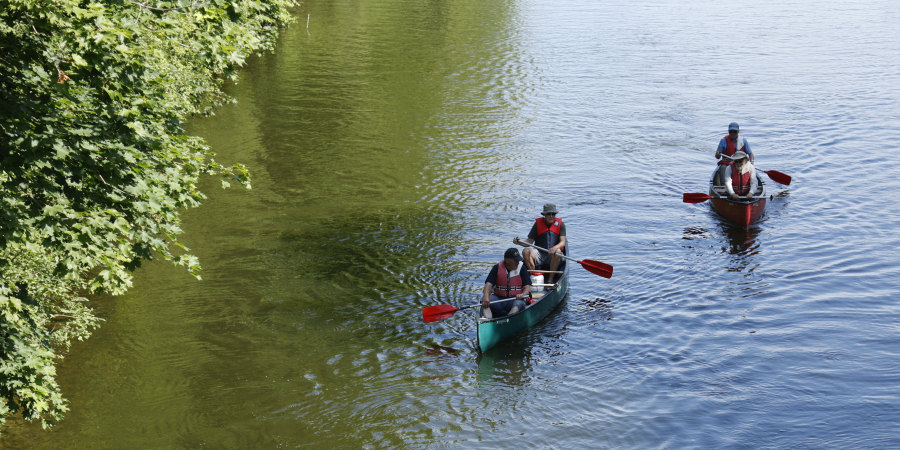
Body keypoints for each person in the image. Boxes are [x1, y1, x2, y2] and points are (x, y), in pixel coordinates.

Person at [513, 203, 567, 284]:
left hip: (553, 255)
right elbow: (529, 241)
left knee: (558, 251)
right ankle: (533, 276)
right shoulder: (537, 224)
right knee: (526, 251)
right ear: (544, 215)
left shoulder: (561, 224)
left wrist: (555, 248)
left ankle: (550, 279)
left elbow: (563, 242)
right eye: (549, 214)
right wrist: (519, 242)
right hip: (539, 253)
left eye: (553, 214)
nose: (551, 216)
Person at [481, 248, 532, 318]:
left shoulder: (522, 268)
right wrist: (486, 296)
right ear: (507, 261)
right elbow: (488, 284)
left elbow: (527, 287)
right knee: (485, 301)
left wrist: (522, 294)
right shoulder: (497, 268)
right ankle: (488, 320)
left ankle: (509, 319)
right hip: (498, 299)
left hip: (514, 299)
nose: (518, 262)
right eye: (516, 260)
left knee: (518, 304)